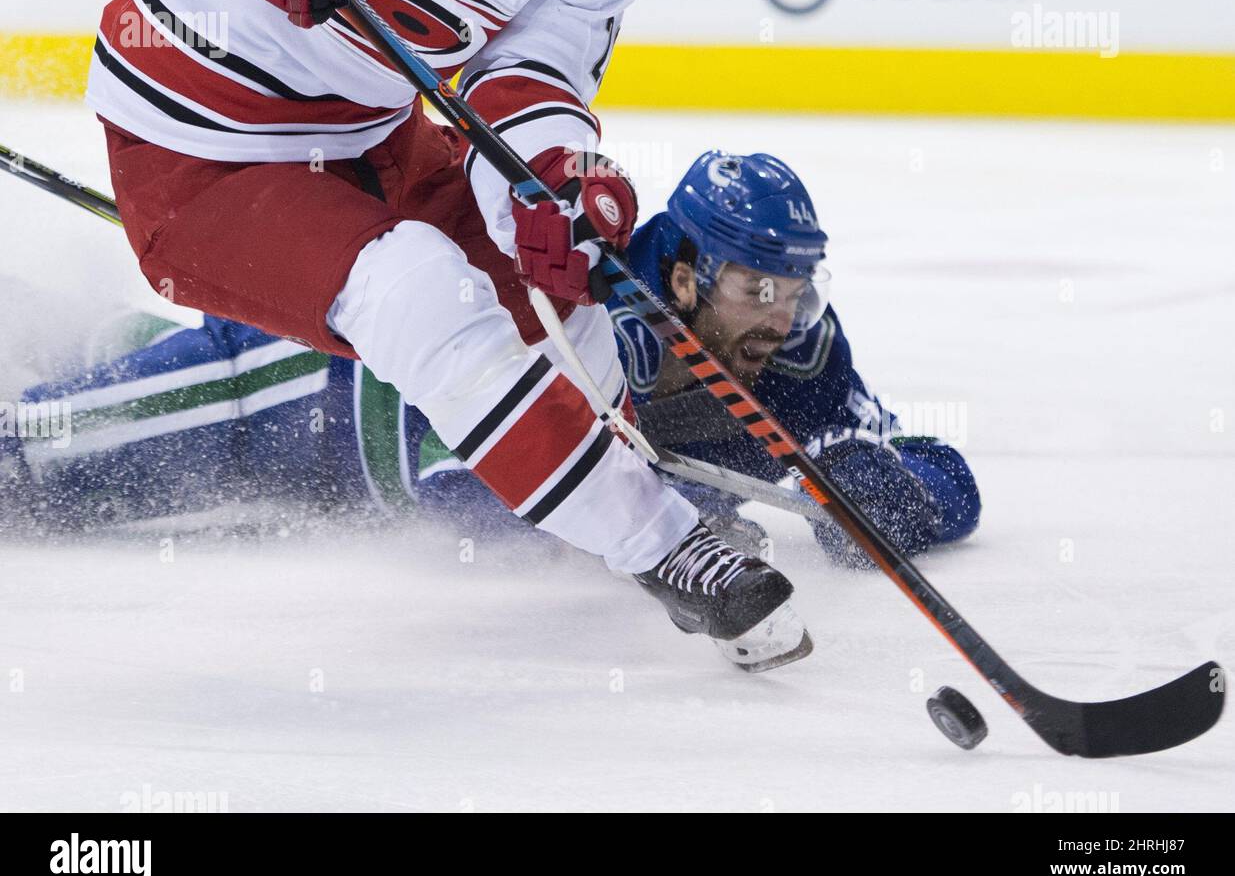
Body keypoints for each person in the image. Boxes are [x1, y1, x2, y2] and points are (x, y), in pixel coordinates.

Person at [84, 0, 811, 672]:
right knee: (420, 291)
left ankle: (609, 490)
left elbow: (528, 89)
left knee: (568, 302)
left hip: (366, 138)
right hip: (197, 146)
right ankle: (661, 547)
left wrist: (553, 185)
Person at [7, 152, 980, 575]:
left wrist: (889, 494)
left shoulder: (793, 348)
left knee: (105, 386)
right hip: (289, 386)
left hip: (335, 487)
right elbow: (454, 481)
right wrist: (656, 517)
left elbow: (923, 461)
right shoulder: (586, 317)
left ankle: (82, 339)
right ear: (683, 270)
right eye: (757, 286)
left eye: (795, 287)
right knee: (30, 468)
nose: (783, 312)